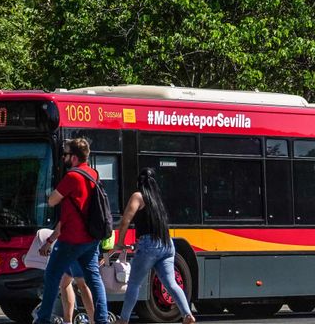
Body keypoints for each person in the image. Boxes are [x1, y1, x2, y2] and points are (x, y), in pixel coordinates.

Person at [34, 138, 108, 324]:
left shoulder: (72, 177)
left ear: (74, 157)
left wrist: (50, 194)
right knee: (93, 279)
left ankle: (43, 319)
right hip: (91, 238)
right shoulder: (94, 174)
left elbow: (52, 201)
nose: (64, 158)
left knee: (52, 275)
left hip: (72, 239)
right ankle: (102, 320)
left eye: (66, 154)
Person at [113, 168, 195, 324]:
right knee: (171, 283)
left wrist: (120, 243)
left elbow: (125, 221)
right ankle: (187, 315)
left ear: (139, 182)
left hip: (149, 245)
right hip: (167, 243)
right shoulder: (157, 199)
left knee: (134, 284)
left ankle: (123, 320)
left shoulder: (138, 196)